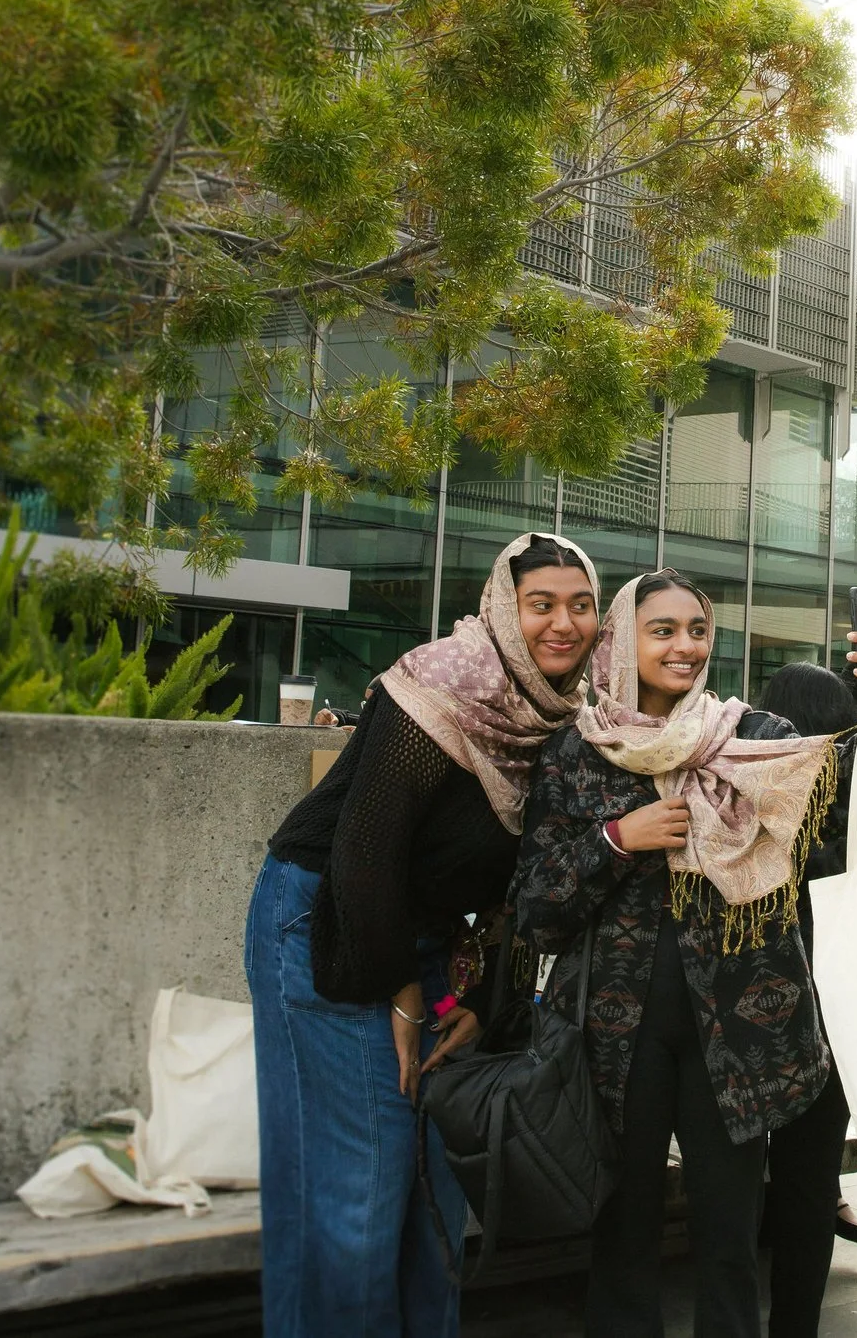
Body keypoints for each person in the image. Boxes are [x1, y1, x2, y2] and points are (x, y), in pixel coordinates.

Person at [514, 573, 857, 1338]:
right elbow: (536, 906)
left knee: (729, 1234)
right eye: (663, 630)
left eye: (696, 628)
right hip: (620, 1036)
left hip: (740, 1030)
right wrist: (620, 839)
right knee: (623, 1228)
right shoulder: (580, 752)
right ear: (623, 639)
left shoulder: (756, 735)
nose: (685, 645)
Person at [249, 531, 600, 1338]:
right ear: (503, 609)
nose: (563, 623)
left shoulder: (558, 717)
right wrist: (402, 993)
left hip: (427, 940)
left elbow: (523, 884)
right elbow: (364, 847)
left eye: (580, 605)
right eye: (540, 604)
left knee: (435, 1184)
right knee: (357, 1187)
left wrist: (472, 993)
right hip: (330, 918)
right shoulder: (447, 677)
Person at [751, 659, 857, 1338]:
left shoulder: (759, 796)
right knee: (810, 1184)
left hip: (756, 1014)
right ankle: (795, 1324)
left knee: (749, 1178)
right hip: (834, 1018)